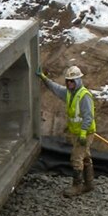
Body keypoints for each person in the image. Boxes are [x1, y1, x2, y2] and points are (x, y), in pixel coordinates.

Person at [38, 64, 96, 197]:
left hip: (84, 133)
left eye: (72, 81)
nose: (69, 83)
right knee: (85, 156)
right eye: (68, 81)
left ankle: (77, 186)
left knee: (76, 158)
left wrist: (82, 133)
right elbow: (56, 89)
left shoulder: (84, 96)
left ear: (78, 81)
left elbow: (88, 116)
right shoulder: (69, 93)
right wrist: (44, 78)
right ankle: (89, 183)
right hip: (77, 132)